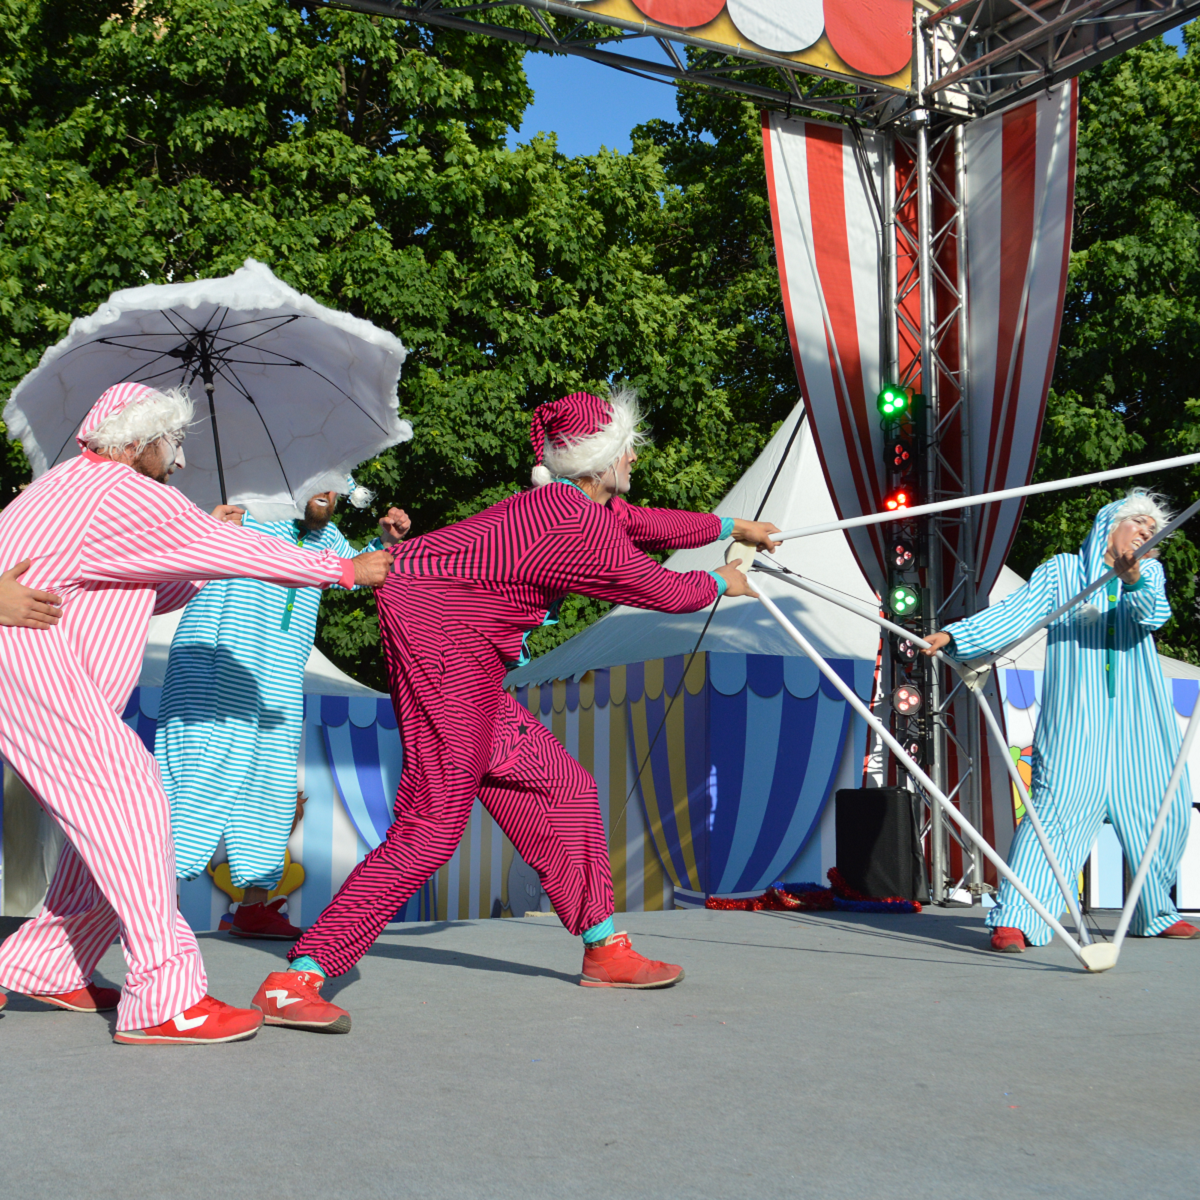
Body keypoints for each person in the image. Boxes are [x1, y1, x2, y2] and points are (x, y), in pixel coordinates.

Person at [250, 387, 778, 1034]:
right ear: (602, 458)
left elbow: (643, 523)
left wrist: (734, 527)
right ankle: (295, 977)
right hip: (441, 648)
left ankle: (603, 945)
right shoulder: (573, 525)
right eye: (627, 448)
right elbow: (664, 590)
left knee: (565, 787)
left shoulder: (573, 504)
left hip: (468, 663)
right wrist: (721, 581)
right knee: (433, 828)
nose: (635, 457)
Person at [0, 382, 392, 1044]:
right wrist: (343, 571)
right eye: (173, 442)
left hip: (46, 674)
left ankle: (47, 964)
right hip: (31, 670)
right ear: (139, 438)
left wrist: (201, 546)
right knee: (135, 807)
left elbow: (150, 590)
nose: (180, 460)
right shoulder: (120, 492)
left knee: (112, 826)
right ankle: (164, 997)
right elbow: (244, 555)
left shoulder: (71, 487)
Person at [923, 489, 1197, 950]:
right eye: (1140, 526)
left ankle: (1154, 910)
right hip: (1077, 716)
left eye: (1154, 531)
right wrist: (957, 635)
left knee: (1162, 811)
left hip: (1139, 718)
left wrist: (1132, 582)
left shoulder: (1149, 571)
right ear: (1111, 525)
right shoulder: (1063, 572)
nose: (1148, 535)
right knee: (1054, 815)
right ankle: (1019, 916)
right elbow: (1017, 614)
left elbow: (1152, 617)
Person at [156, 480, 411, 940]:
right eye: (319, 485)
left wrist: (384, 545)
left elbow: (356, 568)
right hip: (217, 668)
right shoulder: (244, 516)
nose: (328, 496)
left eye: (336, 490)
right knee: (195, 779)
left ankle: (254, 904)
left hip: (277, 682)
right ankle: (155, 902)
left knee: (270, 790)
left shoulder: (326, 539)